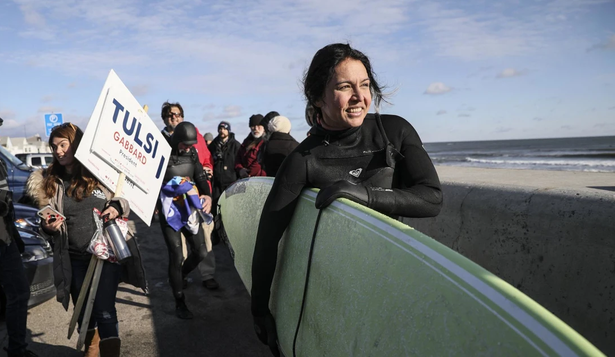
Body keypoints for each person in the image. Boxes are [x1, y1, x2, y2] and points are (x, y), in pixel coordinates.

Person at [250, 43, 443, 354]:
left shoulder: (394, 132)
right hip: (332, 291)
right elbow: (268, 238)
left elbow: (431, 198)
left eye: (364, 85)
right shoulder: (304, 160)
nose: (359, 97)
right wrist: (260, 310)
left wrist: (362, 194)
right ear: (317, 97)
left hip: (389, 281)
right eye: (344, 87)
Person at [25, 123, 147, 357]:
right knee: (83, 312)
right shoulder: (49, 180)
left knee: (105, 310)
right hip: (73, 258)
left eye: (63, 144)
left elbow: (123, 199)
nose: (59, 151)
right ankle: (91, 350)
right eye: (54, 147)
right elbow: (45, 219)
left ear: (76, 143)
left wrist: (116, 207)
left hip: (105, 255)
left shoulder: (100, 172)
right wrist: (48, 227)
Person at [159, 102, 217, 289]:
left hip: (190, 207)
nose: (173, 118)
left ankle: (184, 274)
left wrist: (208, 196)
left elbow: (200, 174)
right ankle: (179, 299)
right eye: (169, 115)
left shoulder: (192, 148)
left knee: (201, 251)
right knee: (176, 254)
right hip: (170, 208)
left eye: (177, 114)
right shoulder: (160, 148)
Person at [0, 118, 37, 357]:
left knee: (18, 293)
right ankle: (16, 350)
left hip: (6, 238)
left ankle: (16, 348)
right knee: (19, 292)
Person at [208, 121, 241, 215]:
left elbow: (239, 162)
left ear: (229, 131)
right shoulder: (213, 145)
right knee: (216, 209)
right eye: (220, 129)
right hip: (217, 183)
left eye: (225, 129)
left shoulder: (236, 145)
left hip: (231, 182)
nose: (222, 131)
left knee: (230, 209)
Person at [235, 114, 267, 178]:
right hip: (246, 179)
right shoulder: (245, 143)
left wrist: (249, 172)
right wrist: (240, 169)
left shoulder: (266, 142)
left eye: (258, 126)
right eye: (253, 126)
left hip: (261, 179)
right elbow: (238, 159)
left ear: (263, 127)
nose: (255, 128)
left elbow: (259, 162)